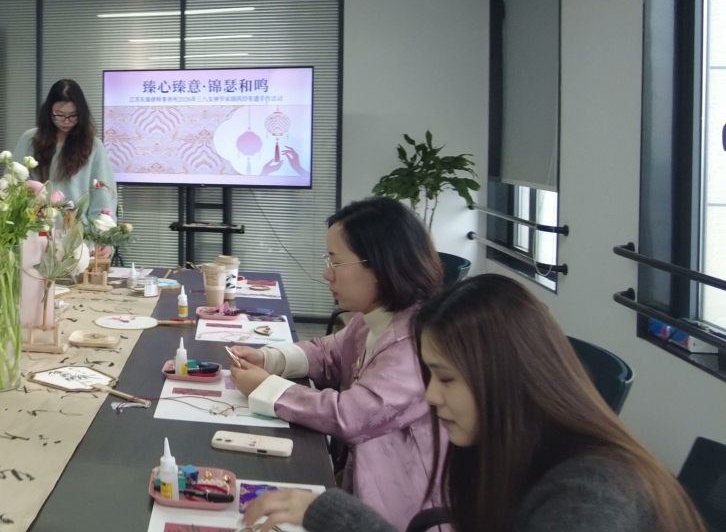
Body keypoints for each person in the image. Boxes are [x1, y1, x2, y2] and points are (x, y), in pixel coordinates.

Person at [243, 274, 707, 532]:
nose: (431, 396)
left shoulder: (592, 496)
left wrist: (336, 517)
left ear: (506, 376)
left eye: (446, 378)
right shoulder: (503, 453)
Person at [228, 197, 443, 530]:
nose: (327, 274)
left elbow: (353, 415)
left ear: (380, 265)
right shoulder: (373, 319)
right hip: (356, 491)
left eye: (336, 262)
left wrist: (267, 388)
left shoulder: (416, 342)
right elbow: (327, 353)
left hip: (396, 512)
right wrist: (268, 358)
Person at [14, 79, 115, 215]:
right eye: (60, 115)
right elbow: (14, 185)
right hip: (35, 223)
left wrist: (102, 224)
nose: (66, 121)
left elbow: (103, 197)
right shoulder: (30, 139)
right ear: (49, 111)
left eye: (73, 115)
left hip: (76, 226)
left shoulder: (93, 145)